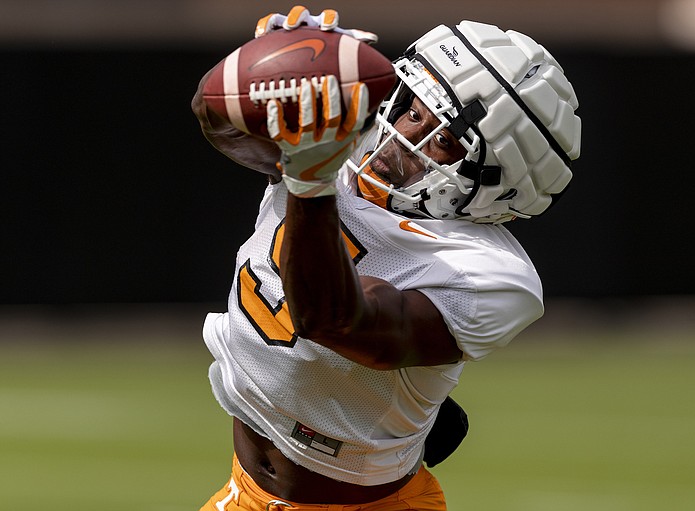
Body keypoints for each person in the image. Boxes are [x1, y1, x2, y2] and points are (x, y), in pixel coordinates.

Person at [192, 6, 581, 510]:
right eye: (412, 108)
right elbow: (214, 113)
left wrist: (311, 178)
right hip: (243, 492)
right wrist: (267, 69)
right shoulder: (344, 142)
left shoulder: (484, 273)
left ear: (497, 178)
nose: (404, 135)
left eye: (441, 137)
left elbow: (336, 321)